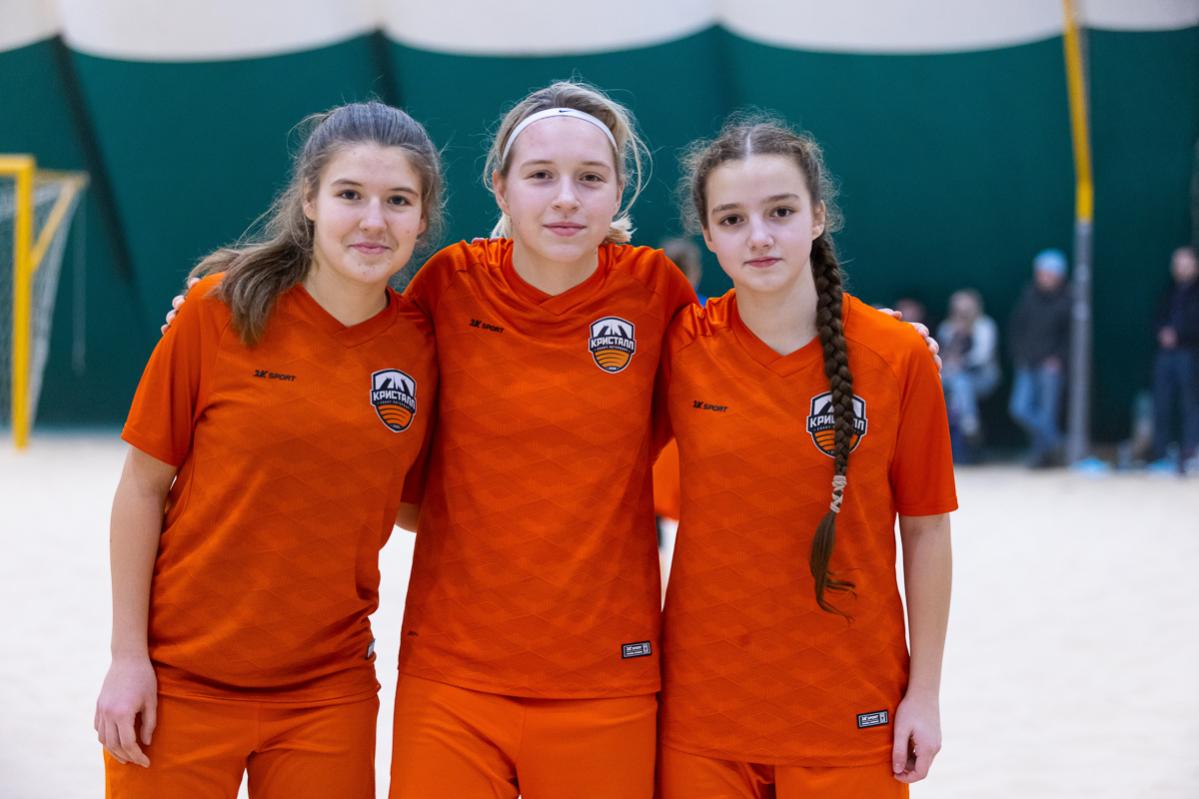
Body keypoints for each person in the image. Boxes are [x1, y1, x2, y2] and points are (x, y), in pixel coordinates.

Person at [94, 102, 442, 799]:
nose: (374, 220)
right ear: (309, 199)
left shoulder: (426, 345)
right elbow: (141, 487)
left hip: (328, 691)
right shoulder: (217, 311)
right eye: (350, 194)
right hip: (181, 679)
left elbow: (410, 507)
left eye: (398, 200)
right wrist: (127, 657)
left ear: (423, 217)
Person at [387, 81, 698, 799]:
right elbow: (348, 355)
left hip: (606, 675)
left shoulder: (654, 289)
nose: (565, 198)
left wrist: (880, 343)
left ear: (618, 190)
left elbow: (757, 354)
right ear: (499, 185)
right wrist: (219, 311)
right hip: (452, 674)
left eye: (589, 178)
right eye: (540, 175)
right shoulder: (449, 282)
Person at [656, 117, 955, 798]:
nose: (758, 236)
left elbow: (928, 530)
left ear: (818, 216)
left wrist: (924, 693)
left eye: (781, 212)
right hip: (703, 718)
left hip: (850, 711)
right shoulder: (677, 347)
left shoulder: (897, 356)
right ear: (707, 235)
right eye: (732, 219)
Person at [1008, 248, 1071, 467]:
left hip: (1051, 367)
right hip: (1027, 363)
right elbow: (1016, 328)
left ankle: (1041, 457)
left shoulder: (1068, 301)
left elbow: (1071, 337)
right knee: (1020, 409)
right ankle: (1058, 443)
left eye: (1048, 273)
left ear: (1059, 276)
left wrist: (1059, 359)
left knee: (1046, 414)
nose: (1044, 277)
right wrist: (1020, 354)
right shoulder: (1028, 296)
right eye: (1041, 273)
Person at [1149, 245, 1199, 473]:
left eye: (1185, 263)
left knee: (1190, 404)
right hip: (1166, 355)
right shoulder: (1169, 290)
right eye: (1177, 264)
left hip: (1190, 354)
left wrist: (1179, 335)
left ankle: (1190, 453)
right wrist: (1163, 332)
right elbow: (1157, 317)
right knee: (1161, 403)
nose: (1181, 268)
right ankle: (1161, 454)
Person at [937, 288, 999, 458]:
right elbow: (942, 356)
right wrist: (955, 339)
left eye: (966, 308)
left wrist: (961, 362)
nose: (962, 312)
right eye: (958, 308)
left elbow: (982, 357)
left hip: (982, 377)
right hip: (952, 377)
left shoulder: (984, 326)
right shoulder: (947, 327)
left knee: (961, 384)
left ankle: (969, 423)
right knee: (948, 386)